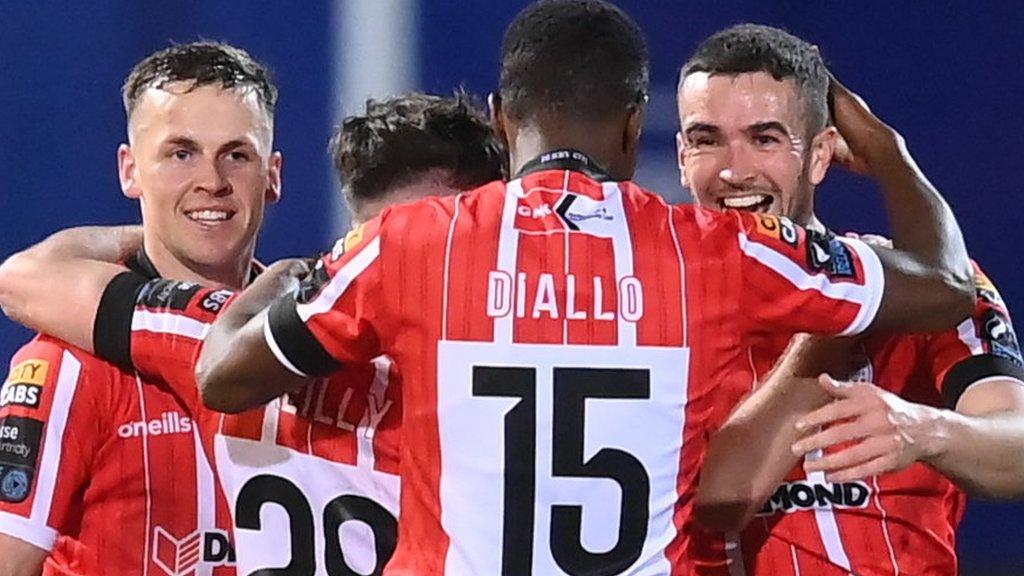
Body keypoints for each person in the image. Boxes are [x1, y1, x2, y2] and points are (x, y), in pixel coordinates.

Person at [193, 1, 975, 574]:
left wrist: (283, 283)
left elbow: (224, 378)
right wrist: (889, 150)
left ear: (501, 122)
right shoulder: (716, 250)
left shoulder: (408, 245)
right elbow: (943, 285)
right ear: (637, 126)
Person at [0, 88, 504, 576]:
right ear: (357, 244)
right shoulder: (257, 342)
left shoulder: (251, 347)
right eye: (180, 154)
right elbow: (22, 277)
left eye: (237, 155)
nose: (211, 181)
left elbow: (28, 274)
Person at [676, 25, 1024, 575]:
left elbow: (1017, 444)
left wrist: (924, 430)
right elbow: (714, 502)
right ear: (680, 156)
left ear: (820, 155)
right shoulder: (646, 309)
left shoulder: (921, 295)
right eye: (706, 139)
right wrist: (832, 326)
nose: (733, 170)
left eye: (765, 139)